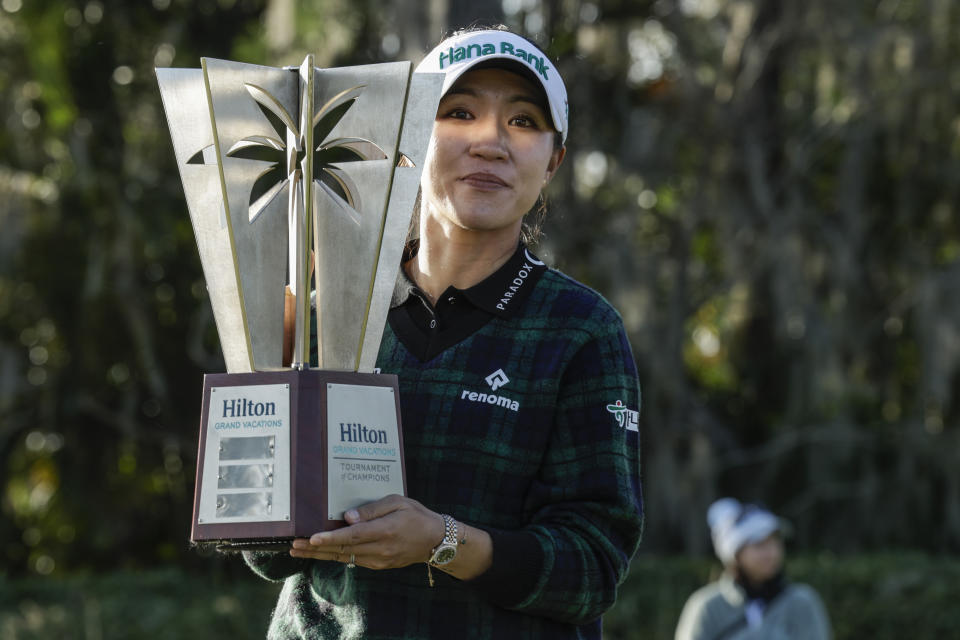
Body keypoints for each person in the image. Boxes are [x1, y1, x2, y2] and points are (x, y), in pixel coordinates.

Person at [243, 25, 643, 639]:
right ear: (408, 140)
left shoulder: (580, 331)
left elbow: (590, 569)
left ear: (553, 161)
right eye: (459, 112)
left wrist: (441, 543)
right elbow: (264, 551)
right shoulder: (325, 313)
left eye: (524, 122)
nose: (490, 141)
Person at [674, 498, 831, 640]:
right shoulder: (707, 606)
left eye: (775, 542)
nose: (771, 553)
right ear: (735, 555)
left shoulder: (802, 602)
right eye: (759, 545)